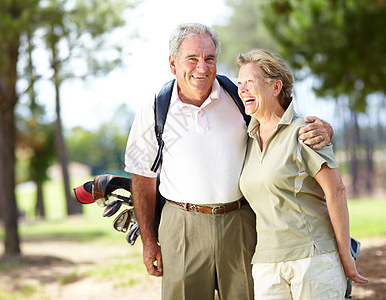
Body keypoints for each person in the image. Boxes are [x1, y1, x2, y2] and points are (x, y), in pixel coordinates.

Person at [124, 23, 333, 300]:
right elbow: (142, 177)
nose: (202, 67)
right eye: (192, 59)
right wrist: (149, 242)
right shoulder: (154, 108)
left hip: (240, 223)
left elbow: (284, 124)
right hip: (181, 227)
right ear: (173, 64)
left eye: (209, 58)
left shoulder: (238, 96)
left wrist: (326, 129)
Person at [236, 49, 369, 299]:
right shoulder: (246, 138)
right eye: (240, 83)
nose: (242, 90)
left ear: (276, 87)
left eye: (250, 82)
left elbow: (336, 192)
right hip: (266, 263)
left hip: (313, 259)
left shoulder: (306, 132)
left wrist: (345, 255)